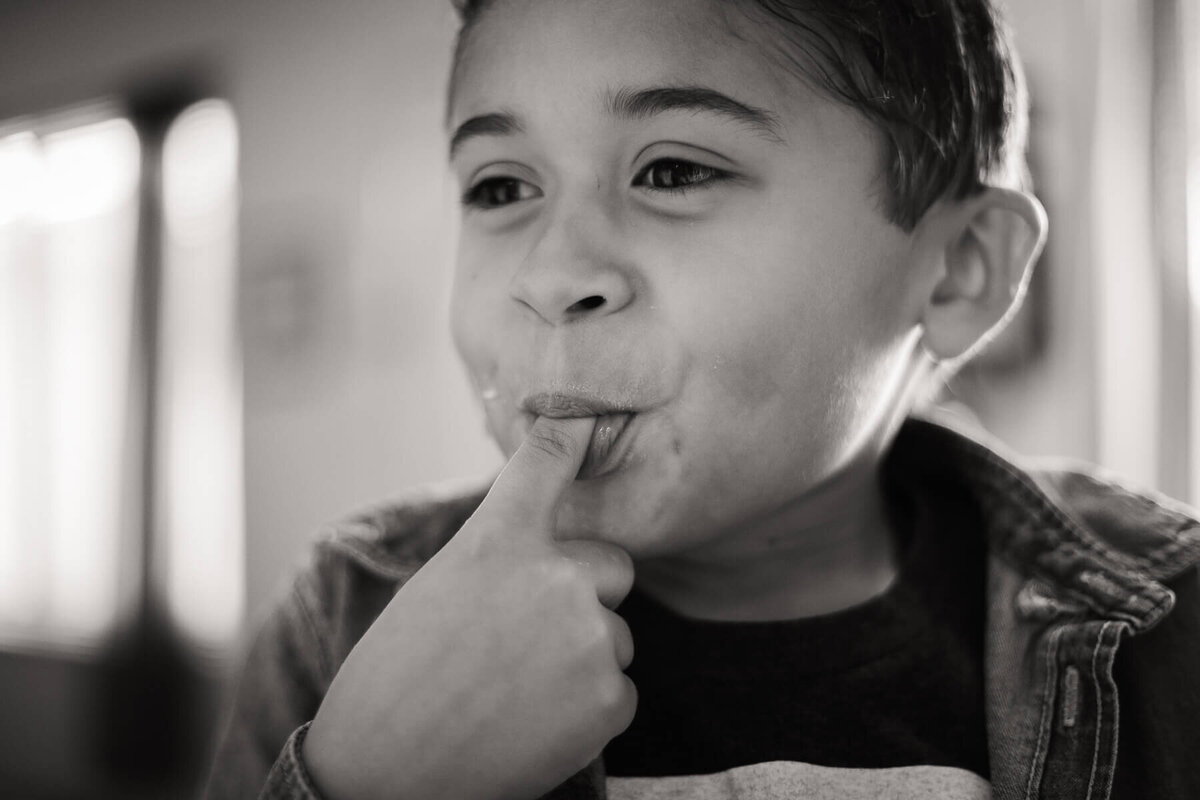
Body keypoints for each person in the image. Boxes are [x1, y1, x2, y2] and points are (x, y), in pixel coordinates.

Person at [204, 1, 1200, 798]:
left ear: (955, 271)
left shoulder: (1172, 631)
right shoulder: (351, 613)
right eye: (502, 187)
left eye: (674, 169)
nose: (552, 274)